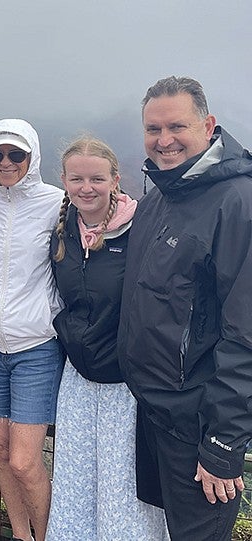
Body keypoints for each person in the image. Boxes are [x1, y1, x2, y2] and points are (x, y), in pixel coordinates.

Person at [118, 76, 252, 540]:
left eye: (177, 126)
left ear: (209, 124)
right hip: (156, 413)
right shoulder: (160, 197)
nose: (164, 140)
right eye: (153, 129)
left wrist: (222, 442)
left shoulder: (238, 202)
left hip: (198, 424)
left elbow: (245, 333)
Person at [46, 137, 168, 540]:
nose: (87, 188)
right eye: (77, 178)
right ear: (63, 181)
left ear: (116, 179)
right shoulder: (63, 231)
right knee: (75, 480)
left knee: (123, 490)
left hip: (126, 384)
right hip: (79, 378)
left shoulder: (141, 228)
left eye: (97, 178)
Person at [0, 119, 64, 541]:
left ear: (33, 156)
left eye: (16, 154)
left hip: (37, 347)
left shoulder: (57, 204)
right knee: (3, 452)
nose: (6, 163)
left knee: (26, 460)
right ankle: (21, 535)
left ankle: (46, 536)